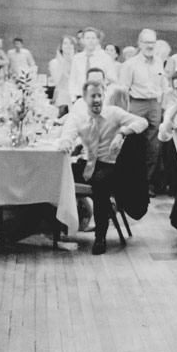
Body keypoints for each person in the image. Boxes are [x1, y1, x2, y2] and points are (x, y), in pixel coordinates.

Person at [57, 78, 148, 255]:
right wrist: (66, 143)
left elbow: (142, 122)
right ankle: (58, 229)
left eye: (100, 95)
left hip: (110, 166)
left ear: (104, 96)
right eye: (93, 96)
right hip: (87, 163)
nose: (97, 99)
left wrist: (122, 133)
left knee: (100, 183)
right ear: (85, 97)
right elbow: (67, 134)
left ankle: (100, 237)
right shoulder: (78, 117)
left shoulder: (114, 113)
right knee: (58, 174)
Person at [120, 28, 167, 191]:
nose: (150, 46)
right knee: (131, 142)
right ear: (139, 43)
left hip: (154, 104)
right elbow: (123, 90)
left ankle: (146, 184)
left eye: (153, 42)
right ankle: (129, 183)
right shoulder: (130, 64)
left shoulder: (160, 61)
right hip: (136, 104)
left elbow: (163, 84)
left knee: (154, 145)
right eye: (146, 42)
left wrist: (163, 106)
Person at [68, 26, 118, 97]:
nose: (90, 41)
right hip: (80, 97)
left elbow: (113, 81)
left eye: (93, 38)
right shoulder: (77, 58)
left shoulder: (105, 58)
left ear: (97, 40)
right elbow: (72, 80)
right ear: (82, 40)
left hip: (99, 98)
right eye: (88, 38)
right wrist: (73, 98)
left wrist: (107, 95)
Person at [48, 35, 76, 114]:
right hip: (62, 97)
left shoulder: (77, 62)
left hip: (76, 97)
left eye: (71, 43)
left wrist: (73, 60)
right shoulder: (54, 62)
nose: (68, 46)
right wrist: (63, 64)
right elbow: (57, 81)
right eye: (65, 43)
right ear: (61, 47)